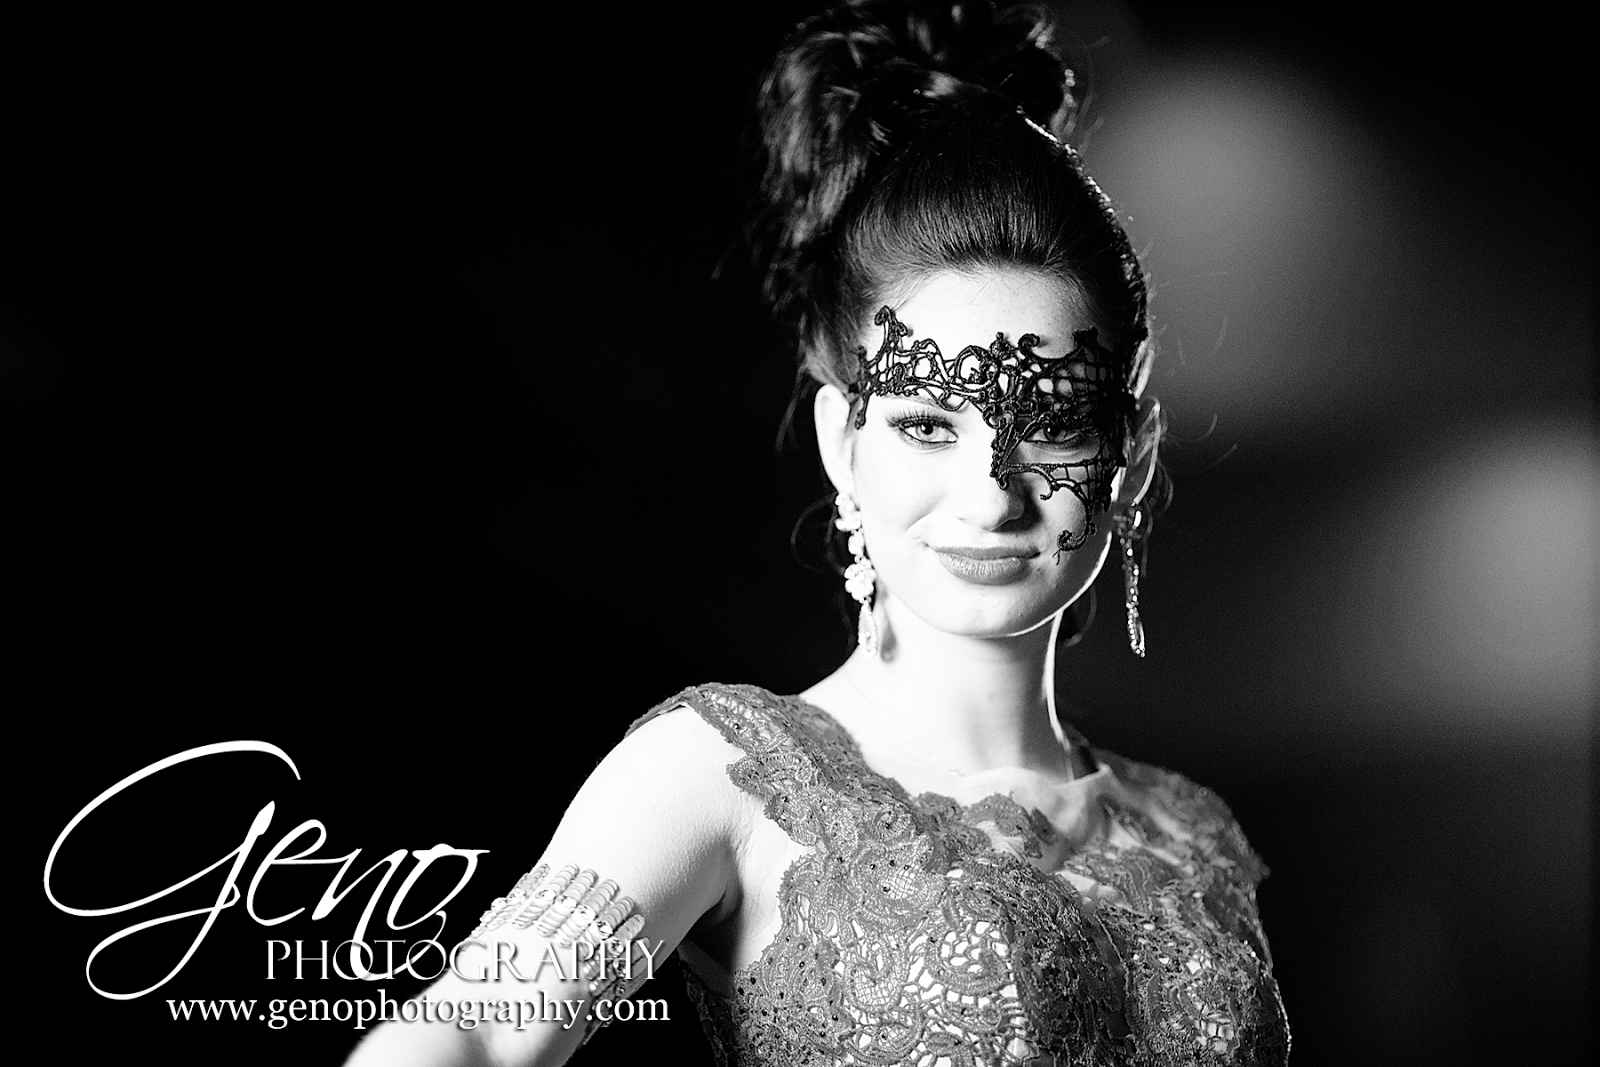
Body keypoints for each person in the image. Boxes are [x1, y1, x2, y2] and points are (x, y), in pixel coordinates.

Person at [347, 1, 1290, 1063]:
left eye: (1055, 424)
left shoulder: (1198, 836)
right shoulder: (724, 772)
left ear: (1134, 457)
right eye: (926, 425)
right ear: (843, 440)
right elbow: (476, 1030)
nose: (993, 495)